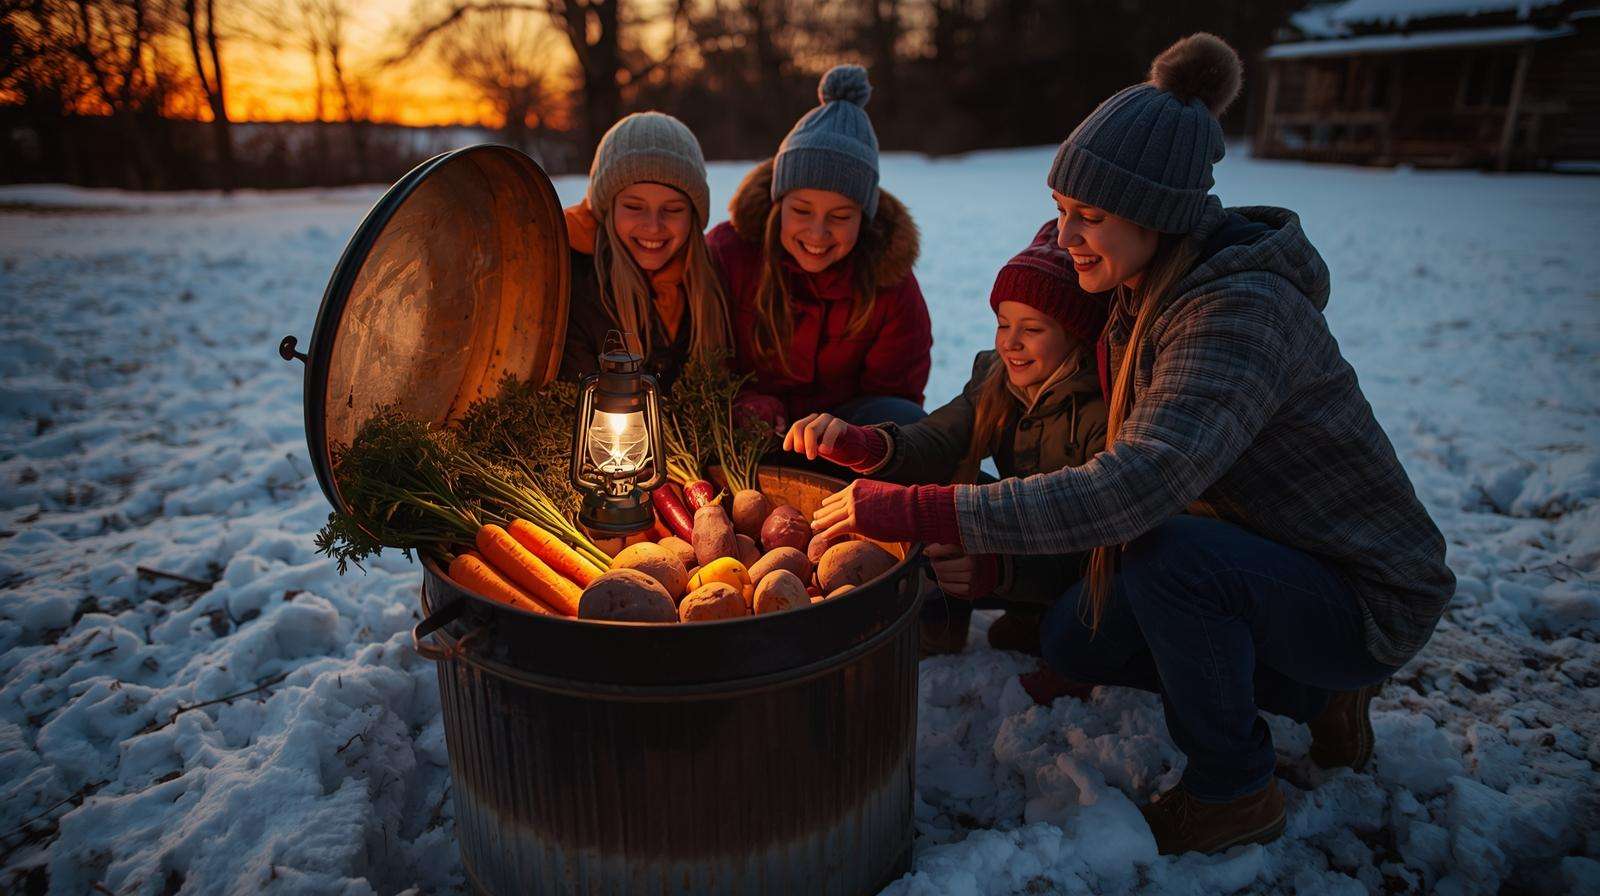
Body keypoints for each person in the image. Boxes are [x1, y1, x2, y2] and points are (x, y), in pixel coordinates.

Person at [808, 33, 1455, 857]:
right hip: (1268, 551)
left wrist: (927, 509)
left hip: (1362, 590)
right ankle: (1311, 692)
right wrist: (893, 458)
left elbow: (1133, 486)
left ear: (1158, 214)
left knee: (1171, 557)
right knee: (1079, 635)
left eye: (1091, 216)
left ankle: (1234, 789)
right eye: (1062, 210)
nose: (1066, 235)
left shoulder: (1236, 314)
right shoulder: (1139, 292)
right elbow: (984, 425)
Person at [783, 220, 1107, 657]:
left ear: (1074, 335)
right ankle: (943, 621)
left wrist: (998, 570)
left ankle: (1047, 624)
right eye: (1002, 324)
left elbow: (1091, 542)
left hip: (1082, 564)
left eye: (1031, 330)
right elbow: (937, 439)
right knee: (945, 483)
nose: (1010, 343)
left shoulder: (1099, 412)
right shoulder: (996, 376)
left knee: (1068, 638)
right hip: (1020, 542)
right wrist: (864, 445)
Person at [708, 65, 932, 435]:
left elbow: (897, 398)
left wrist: (845, 436)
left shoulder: (889, 282)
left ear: (865, 217)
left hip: (839, 440)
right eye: (801, 211)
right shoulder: (728, 254)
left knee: (907, 421)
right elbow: (699, 358)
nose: (818, 231)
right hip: (745, 433)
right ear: (778, 203)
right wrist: (744, 401)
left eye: (840, 216)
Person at [560, 112, 731, 389]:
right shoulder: (574, 285)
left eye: (673, 209)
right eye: (634, 207)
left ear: (694, 216)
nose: (653, 226)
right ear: (608, 208)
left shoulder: (711, 281)